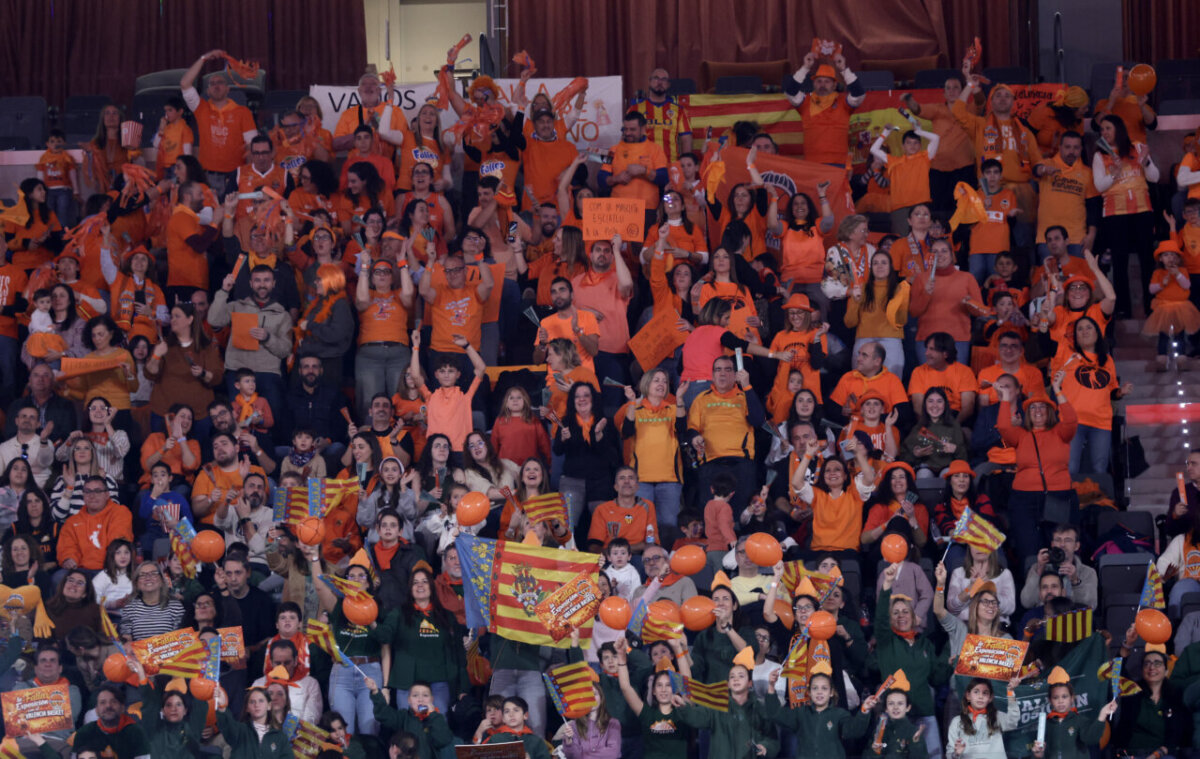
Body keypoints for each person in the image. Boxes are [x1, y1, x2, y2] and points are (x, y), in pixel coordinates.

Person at [995, 377, 1077, 575]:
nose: (1038, 411)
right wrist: (1005, 398)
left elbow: (1072, 419)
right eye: (1033, 408)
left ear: (1050, 412)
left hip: (1058, 497)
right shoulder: (1021, 435)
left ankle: (1061, 589)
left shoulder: (1060, 432)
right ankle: (1032, 592)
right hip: (1024, 500)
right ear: (1027, 414)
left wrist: (1058, 390)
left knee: (1059, 549)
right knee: (1028, 549)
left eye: (1042, 407)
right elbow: (1004, 427)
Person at [876, 562, 950, 758]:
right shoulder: (886, 641)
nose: (901, 615)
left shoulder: (924, 644)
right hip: (895, 717)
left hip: (925, 715)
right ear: (890, 618)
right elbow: (880, 619)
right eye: (896, 612)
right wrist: (887, 586)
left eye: (905, 611)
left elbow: (937, 677)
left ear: (914, 615)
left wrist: (950, 660)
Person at [1092, 113, 1160, 318]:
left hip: (1142, 211)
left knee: (1147, 260)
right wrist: (1114, 172)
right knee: (1119, 261)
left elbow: (1155, 177)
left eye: (1108, 128)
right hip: (1115, 213)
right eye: (1102, 129)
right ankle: (1122, 308)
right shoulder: (1100, 155)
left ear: (1118, 129)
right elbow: (1099, 186)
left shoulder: (1137, 147)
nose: (1104, 132)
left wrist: (1146, 162)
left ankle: (1151, 307)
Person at [687, 355, 764, 517]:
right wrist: (695, 438)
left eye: (728, 370)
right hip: (711, 463)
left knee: (741, 516)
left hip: (741, 463)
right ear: (712, 375)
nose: (722, 374)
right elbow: (692, 428)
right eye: (718, 370)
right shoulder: (701, 399)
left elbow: (757, 421)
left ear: (735, 375)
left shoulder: (745, 397)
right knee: (711, 518)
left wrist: (747, 386)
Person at [179, 51, 258, 194]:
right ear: (208, 91)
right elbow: (185, 83)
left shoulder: (243, 112)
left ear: (228, 89)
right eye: (212, 84)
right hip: (207, 175)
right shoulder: (201, 108)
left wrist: (249, 177)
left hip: (235, 175)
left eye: (220, 82)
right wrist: (203, 58)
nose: (216, 86)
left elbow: (252, 147)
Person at [671, 658, 778, 759]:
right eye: (732, 676)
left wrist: (765, 747)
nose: (736, 679)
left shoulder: (760, 710)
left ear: (750, 683)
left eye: (741, 676)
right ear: (728, 685)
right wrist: (682, 707)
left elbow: (773, 740)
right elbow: (696, 717)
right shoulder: (717, 706)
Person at [784, 49, 866, 167]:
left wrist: (843, 69)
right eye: (819, 81)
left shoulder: (843, 101)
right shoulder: (805, 101)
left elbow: (859, 94)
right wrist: (805, 67)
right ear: (813, 84)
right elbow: (790, 92)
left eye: (827, 81)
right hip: (813, 163)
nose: (822, 85)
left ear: (834, 85)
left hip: (839, 162)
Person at [910, 239, 982, 365]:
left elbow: (979, 311)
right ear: (930, 256)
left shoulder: (967, 278)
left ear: (952, 255)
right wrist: (926, 293)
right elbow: (914, 311)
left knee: (955, 383)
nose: (940, 255)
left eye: (944, 251)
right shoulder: (921, 278)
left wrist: (969, 303)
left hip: (958, 340)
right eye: (935, 252)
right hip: (927, 339)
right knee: (929, 382)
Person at [1109, 646, 1188, 759]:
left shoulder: (1175, 697)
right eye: (1147, 663)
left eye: (1157, 663)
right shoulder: (1132, 692)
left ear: (1166, 671)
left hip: (1162, 754)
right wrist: (1127, 645)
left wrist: (1156, 755)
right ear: (1142, 670)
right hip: (1132, 754)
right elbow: (1116, 671)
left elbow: (1177, 734)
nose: (1151, 667)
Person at [1035, 131, 1097, 259]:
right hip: (1047, 238)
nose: (1071, 151)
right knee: (1050, 277)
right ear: (1060, 147)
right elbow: (1036, 170)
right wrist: (1044, 170)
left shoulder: (1087, 173)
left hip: (1076, 238)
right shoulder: (1048, 164)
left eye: (1076, 148)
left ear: (1081, 149)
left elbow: (1093, 206)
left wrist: (1091, 235)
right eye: (1068, 147)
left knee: (1077, 278)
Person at [599, 111, 668, 225]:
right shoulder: (613, 150)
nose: (628, 133)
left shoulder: (655, 149)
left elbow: (664, 178)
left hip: (647, 209)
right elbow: (601, 179)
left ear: (643, 128)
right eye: (625, 129)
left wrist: (644, 171)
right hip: (618, 208)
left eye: (632, 129)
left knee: (645, 243)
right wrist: (616, 179)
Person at [57, 476, 133, 572]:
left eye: (97, 491)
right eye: (88, 491)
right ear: (83, 495)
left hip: (111, 569)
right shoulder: (72, 522)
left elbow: (118, 545)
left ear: (107, 495)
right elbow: (67, 547)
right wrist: (69, 559)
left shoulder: (120, 512)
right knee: (58, 577)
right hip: (80, 570)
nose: (92, 496)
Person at [945, 677, 1020, 758]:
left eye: (985, 693)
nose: (980, 696)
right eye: (976, 692)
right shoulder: (957, 721)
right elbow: (950, 754)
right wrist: (956, 754)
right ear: (968, 695)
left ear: (990, 698)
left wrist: (1010, 692)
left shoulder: (997, 716)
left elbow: (1013, 721)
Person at [72, 683, 152, 759]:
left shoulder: (136, 733)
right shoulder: (83, 734)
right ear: (96, 710)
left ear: (122, 708)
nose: (108, 706)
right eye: (103, 702)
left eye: (113, 702)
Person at [213, 686, 292, 759]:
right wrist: (222, 706)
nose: (257, 705)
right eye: (252, 702)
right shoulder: (240, 730)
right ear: (247, 708)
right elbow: (227, 724)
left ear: (269, 706)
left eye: (261, 701)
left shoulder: (280, 737)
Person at [0, 407, 55, 489]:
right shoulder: (4, 447)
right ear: (16, 421)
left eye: (32, 417)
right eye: (24, 416)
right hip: (9, 494)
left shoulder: (46, 443)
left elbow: (45, 463)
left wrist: (43, 441)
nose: (27, 420)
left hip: (38, 493)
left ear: (38, 424)